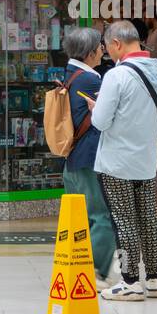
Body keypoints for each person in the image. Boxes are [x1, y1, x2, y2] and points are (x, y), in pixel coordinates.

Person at [83, 20, 157, 301]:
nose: (108, 53)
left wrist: (95, 106)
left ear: (117, 44)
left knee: (123, 221)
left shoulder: (116, 76)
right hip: (146, 158)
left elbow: (100, 122)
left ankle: (130, 280)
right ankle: (155, 280)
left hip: (117, 161)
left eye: (108, 47)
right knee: (148, 218)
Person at [60, 26, 120, 287]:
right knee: (102, 216)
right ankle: (94, 273)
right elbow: (103, 119)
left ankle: (76, 266)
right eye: (100, 47)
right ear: (90, 51)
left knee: (79, 218)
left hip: (73, 158)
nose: (102, 51)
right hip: (89, 158)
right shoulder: (90, 80)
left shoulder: (70, 74)